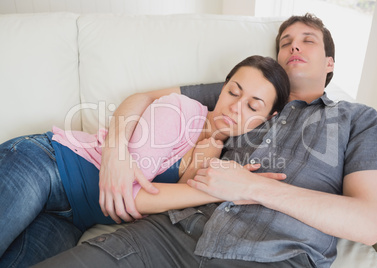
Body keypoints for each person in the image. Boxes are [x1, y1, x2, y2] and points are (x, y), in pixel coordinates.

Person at [35, 13, 377, 267]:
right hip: (166, 234)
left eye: (308, 41)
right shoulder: (251, 89)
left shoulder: (358, 119)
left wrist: (252, 187)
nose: (294, 47)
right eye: (286, 41)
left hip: (274, 257)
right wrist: (116, 151)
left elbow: (368, 223)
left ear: (329, 64)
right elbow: (144, 97)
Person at [0, 56, 290, 267]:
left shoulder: (219, 152)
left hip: (72, 218)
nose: (235, 108)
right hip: (45, 166)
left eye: (253, 106)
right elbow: (131, 192)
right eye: (233, 92)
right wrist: (226, 188)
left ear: (269, 118)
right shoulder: (181, 110)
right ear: (223, 87)